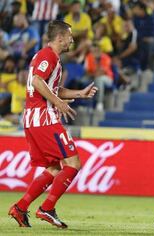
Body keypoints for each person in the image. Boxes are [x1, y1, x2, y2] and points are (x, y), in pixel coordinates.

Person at [8, 20, 98, 228]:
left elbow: (50, 87)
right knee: (73, 163)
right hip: (44, 117)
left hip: (34, 118)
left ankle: (20, 208)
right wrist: (58, 103)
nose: (72, 40)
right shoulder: (48, 55)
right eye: (69, 36)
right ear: (59, 38)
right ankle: (46, 208)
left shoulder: (45, 56)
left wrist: (79, 94)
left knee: (54, 168)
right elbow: (37, 81)